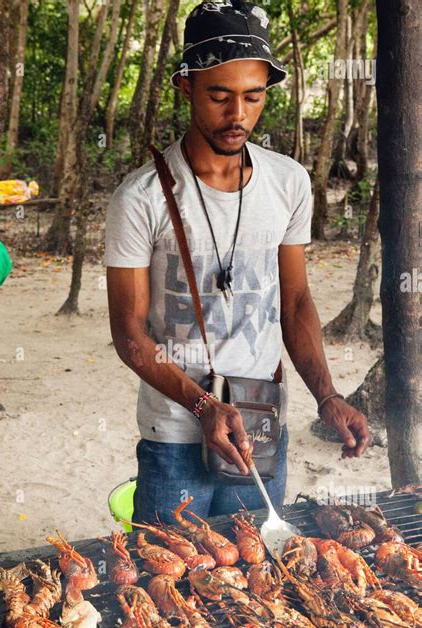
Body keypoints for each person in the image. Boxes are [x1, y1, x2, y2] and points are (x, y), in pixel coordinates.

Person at [104, 0, 370, 524]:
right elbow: (130, 334)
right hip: (176, 435)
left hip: (263, 422)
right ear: (186, 88)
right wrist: (203, 407)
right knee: (173, 584)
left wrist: (327, 396)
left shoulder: (289, 182)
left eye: (253, 97)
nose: (238, 115)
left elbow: (293, 302)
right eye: (220, 97)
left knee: (253, 579)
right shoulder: (140, 198)